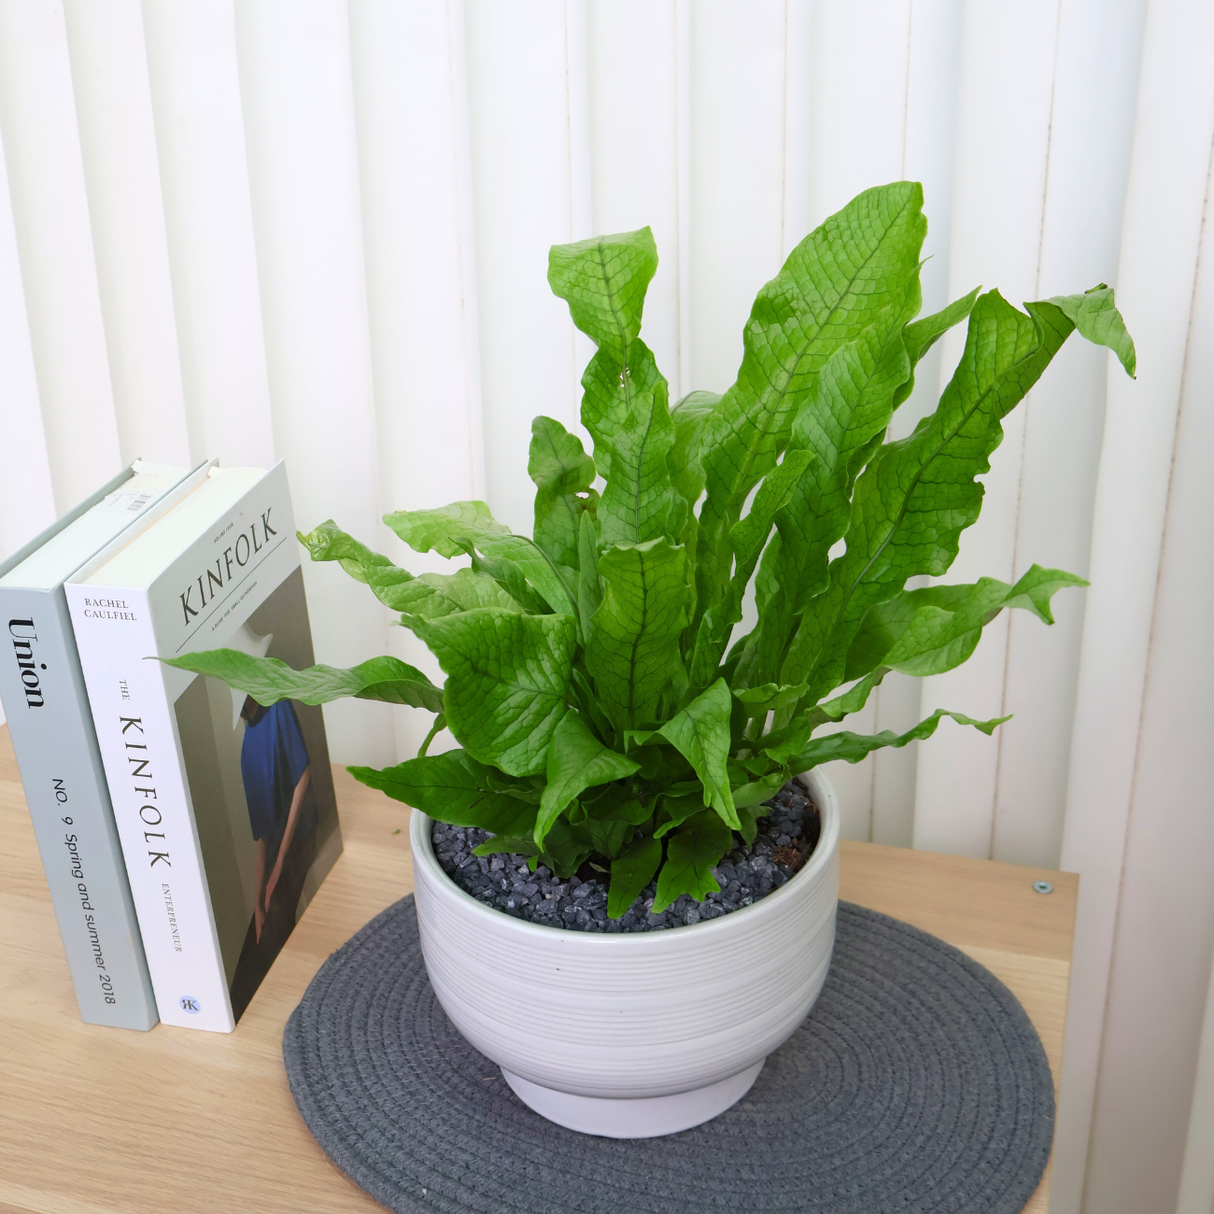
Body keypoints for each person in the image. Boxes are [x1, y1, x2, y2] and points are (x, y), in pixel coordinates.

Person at [227, 695, 318, 1021]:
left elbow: (302, 777)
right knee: (257, 930)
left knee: (276, 921)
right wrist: (258, 897)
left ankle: (281, 1012)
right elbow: (262, 835)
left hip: (300, 830)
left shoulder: (278, 706)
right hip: (276, 844)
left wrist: (279, 868)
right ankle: (244, 1015)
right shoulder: (245, 750)